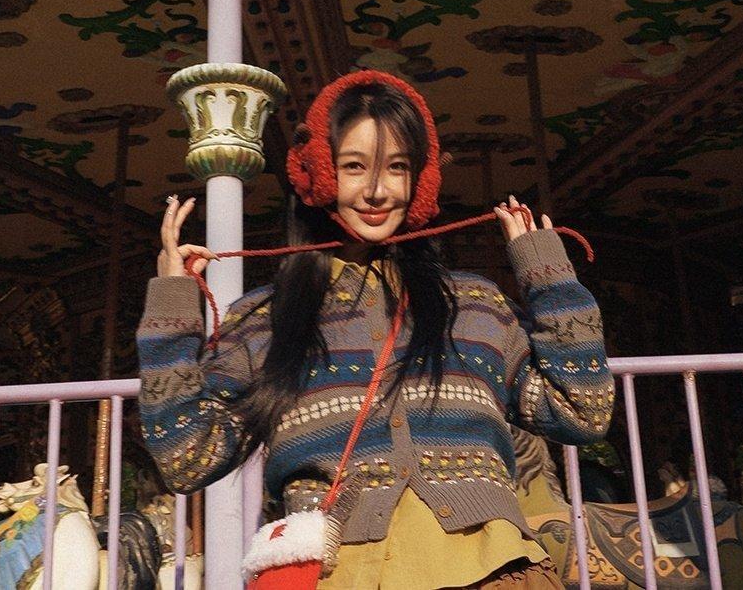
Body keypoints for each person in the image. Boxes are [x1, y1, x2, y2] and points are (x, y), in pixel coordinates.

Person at [137, 70, 614, 588]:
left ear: (420, 181)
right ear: (320, 175)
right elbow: (186, 459)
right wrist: (171, 309)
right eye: (353, 166)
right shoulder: (262, 323)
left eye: (397, 168)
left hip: (494, 570)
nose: (377, 191)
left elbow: (582, 411)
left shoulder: (475, 306)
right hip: (341, 575)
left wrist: (548, 276)